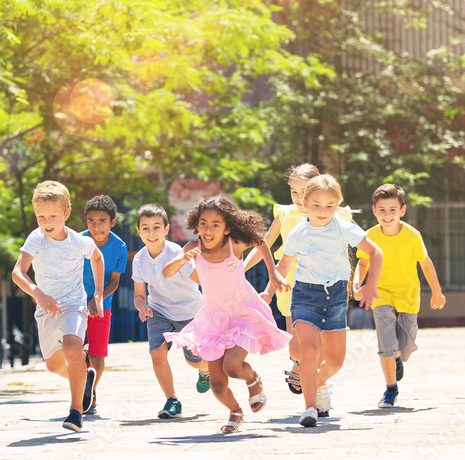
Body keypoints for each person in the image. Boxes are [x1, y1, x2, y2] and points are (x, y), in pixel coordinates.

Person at [163, 196, 292, 433]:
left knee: (233, 366)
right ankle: (235, 412)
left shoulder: (235, 245)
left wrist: (273, 273)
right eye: (203, 223)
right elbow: (167, 272)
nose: (208, 230)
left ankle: (253, 380)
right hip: (214, 320)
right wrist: (182, 258)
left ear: (227, 228)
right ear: (196, 224)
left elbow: (261, 241)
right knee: (217, 385)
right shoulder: (193, 249)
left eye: (215, 224)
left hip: (242, 313)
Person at [262, 174, 383, 427]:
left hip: (337, 297)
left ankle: (316, 383)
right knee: (308, 351)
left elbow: (375, 251)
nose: (322, 211)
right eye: (316, 205)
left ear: (337, 206)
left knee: (336, 361)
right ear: (304, 203)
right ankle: (309, 408)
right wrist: (268, 293)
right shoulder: (299, 232)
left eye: (329, 206)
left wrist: (371, 285)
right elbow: (283, 265)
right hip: (305, 296)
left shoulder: (342, 226)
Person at [12, 180, 104, 432]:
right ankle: (84, 381)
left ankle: (76, 412)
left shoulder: (78, 242)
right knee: (54, 365)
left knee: (74, 349)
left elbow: (97, 256)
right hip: (46, 309)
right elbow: (18, 273)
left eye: (53, 215)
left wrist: (97, 292)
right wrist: (38, 294)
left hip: (73, 304)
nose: (47, 221)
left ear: (66, 213)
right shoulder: (36, 238)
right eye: (41, 216)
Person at [353, 184, 446, 408]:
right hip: (380, 293)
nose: (387, 215)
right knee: (386, 342)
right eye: (382, 210)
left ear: (402, 211)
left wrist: (437, 292)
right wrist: (357, 283)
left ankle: (396, 357)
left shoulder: (413, 235)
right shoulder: (370, 236)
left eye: (393, 210)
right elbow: (363, 263)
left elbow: (426, 263)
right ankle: (390, 390)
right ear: (374, 211)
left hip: (408, 294)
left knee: (404, 349)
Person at [244, 163, 320, 395]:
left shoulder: (327, 210)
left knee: (317, 340)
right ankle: (298, 362)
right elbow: (264, 243)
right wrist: (242, 268)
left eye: (304, 191)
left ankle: (317, 387)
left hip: (320, 280)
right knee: (296, 347)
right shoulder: (285, 213)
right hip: (290, 281)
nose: (298, 197)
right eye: (293, 192)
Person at [132, 203, 210, 420]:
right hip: (159, 311)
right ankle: (172, 399)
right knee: (156, 353)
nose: (151, 232)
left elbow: (199, 280)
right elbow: (139, 295)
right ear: (139, 232)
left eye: (156, 227)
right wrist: (142, 307)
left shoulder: (176, 253)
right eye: (145, 228)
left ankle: (206, 370)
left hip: (190, 312)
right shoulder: (139, 259)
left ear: (166, 229)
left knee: (194, 361)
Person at [81, 195, 128, 415]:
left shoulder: (119, 247)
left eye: (102, 221)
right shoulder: (77, 242)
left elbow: (115, 281)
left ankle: (91, 392)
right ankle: (81, 392)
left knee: (97, 357)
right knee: (77, 353)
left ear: (113, 222)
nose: (96, 226)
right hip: (76, 306)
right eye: (91, 221)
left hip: (102, 307)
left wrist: (98, 298)